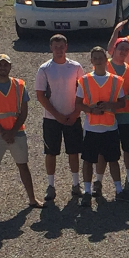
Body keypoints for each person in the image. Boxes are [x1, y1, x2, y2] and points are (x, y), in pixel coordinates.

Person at [0, 54, 41, 216]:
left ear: (10, 67)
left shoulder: (19, 86)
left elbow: (24, 111)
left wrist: (12, 132)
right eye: (0, 65)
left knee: (23, 166)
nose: (3, 67)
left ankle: (32, 199)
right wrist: (3, 132)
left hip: (17, 133)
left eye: (5, 65)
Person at [76, 46, 129, 206]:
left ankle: (119, 190)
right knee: (87, 161)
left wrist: (109, 105)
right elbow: (78, 103)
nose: (98, 60)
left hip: (110, 127)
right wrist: (91, 110)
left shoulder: (116, 80)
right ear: (91, 61)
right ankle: (87, 192)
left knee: (113, 160)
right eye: (95, 58)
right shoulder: (84, 80)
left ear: (105, 59)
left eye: (101, 57)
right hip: (91, 127)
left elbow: (123, 102)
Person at [35, 34, 85, 201]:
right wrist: (56, 115)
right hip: (51, 119)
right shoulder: (44, 69)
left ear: (66, 47)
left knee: (74, 151)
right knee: (51, 152)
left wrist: (75, 113)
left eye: (61, 46)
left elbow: (83, 91)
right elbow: (40, 95)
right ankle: (50, 186)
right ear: (51, 48)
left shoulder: (76, 67)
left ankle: (76, 184)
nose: (58, 50)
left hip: (72, 116)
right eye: (55, 47)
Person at [107, 39, 129, 196]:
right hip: (108, 115)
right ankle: (98, 182)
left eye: (126, 50)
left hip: (127, 115)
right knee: (106, 150)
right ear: (114, 49)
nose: (123, 52)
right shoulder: (105, 66)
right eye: (120, 48)